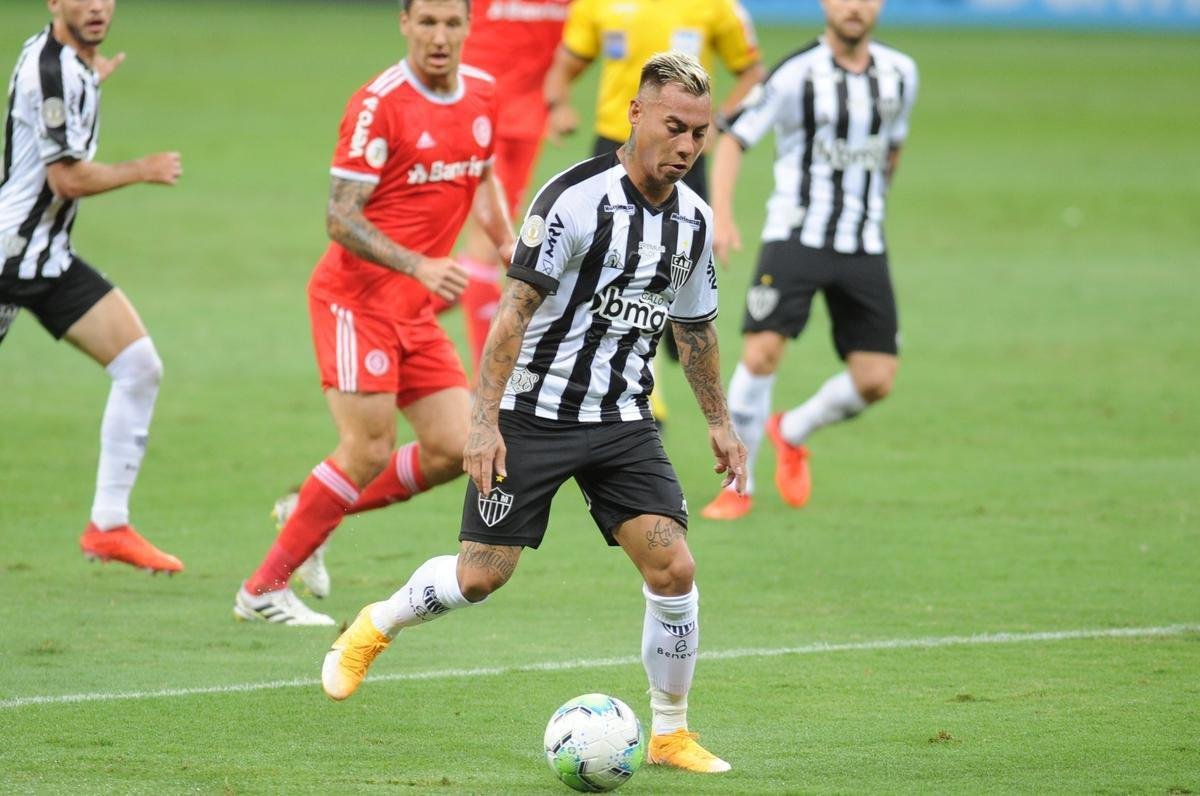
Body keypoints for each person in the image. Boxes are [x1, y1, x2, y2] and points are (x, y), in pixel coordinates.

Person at [321, 53, 747, 775]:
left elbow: (696, 328)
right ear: (636, 114)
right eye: (675, 128)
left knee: (673, 568)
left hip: (622, 420)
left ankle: (671, 732)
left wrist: (718, 420)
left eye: (700, 135)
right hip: (532, 413)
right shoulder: (573, 200)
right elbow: (513, 314)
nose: (686, 147)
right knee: (480, 577)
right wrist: (484, 422)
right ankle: (373, 626)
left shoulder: (695, 224)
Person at [233, 0, 515, 625]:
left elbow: (485, 176)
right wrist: (417, 263)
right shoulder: (379, 103)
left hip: (412, 310)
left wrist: (505, 242)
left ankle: (308, 511)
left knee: (452, 447)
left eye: (452, 23)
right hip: (354, 302)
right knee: (367, 447)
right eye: (427, 23)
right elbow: (340, 215)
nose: (439, 37)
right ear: (405, 24)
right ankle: (262, 590)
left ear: (469, 28)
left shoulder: (483, 95)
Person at [699, 0, 919, 520]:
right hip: (796, 235)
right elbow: (731, 140)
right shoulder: (797, 73)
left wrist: (875, 202)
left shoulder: (901, 74)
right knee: (761, 354)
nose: (854, 8)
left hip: (864, 242)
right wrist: (722, 216)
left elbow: (893, 148)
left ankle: (791, 431)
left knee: (876, 379)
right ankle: (737, 487)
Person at [1, 0, 184, 573]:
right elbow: (67, 177)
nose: (98, 6)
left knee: (139, 366)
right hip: (8, 258)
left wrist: (93, 81)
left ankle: (108, 525)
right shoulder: (50, 71)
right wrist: (143, 169)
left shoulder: (78, 65)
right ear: (54, 2)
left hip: (49, 261)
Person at [542, 0, 765, 425]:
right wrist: (559, 104)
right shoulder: (595, 5)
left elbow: (753, 73)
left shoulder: (718, 7)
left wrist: (718, 122)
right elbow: (563, 66)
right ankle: (644, 401)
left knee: (671, 279)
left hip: (681, 158)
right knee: (612, 274)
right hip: (613, 150)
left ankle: (655, 365)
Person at [440, 0, 570, 368]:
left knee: (487, 250)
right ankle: (485, 384)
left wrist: (559, 99)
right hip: (475, 115)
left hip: (527, 122)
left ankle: (396, 312)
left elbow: (583, 41)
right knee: (490, 245)